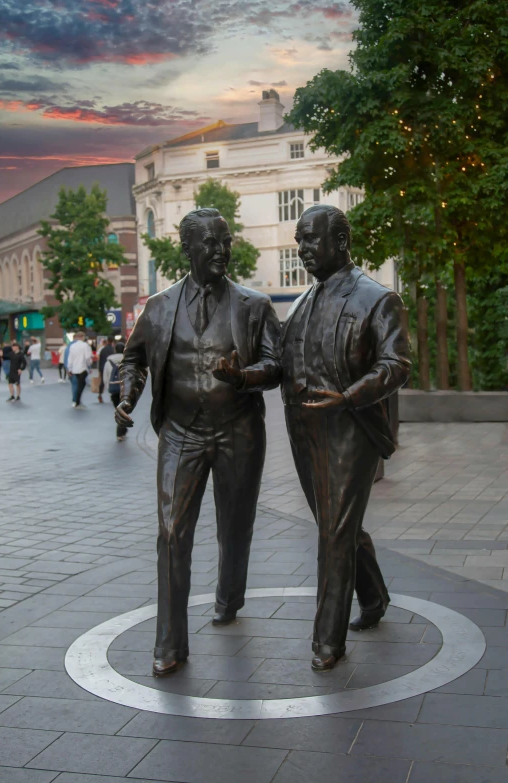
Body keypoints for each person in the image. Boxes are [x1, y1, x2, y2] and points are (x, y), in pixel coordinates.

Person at [116, 207, 281, 676]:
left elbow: (277, 365)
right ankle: (169, 644)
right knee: (170, 533)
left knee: (235, 526)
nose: (221, 250)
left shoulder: (253, 305)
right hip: (181, 431)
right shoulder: (159, 306)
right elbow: (134, 359)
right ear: (186, 249)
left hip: (239, 430)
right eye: (210, 243)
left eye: (225, 241)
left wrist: (244, 375)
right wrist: (127, 396)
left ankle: (229, 597)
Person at [281, 204, 410, 672]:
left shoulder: (377, 299)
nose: (302, 251)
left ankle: (326, 639)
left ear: (340, 241)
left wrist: (351, 395)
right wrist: (242, 376)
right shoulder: (300, 303)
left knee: (333, 531)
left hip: (352, 427)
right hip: (304, 429)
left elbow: (397, 364)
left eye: (310, 240)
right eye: (299, 242)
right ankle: (374, 598)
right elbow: (279, 363)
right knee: (339, 525)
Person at [104, 341, 126, 439]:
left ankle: (123, 429)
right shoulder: (128, 360)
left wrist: (107, 387)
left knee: (118, 410)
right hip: (125, 388)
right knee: (124, 410)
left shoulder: (109, 361)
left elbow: (106, 376)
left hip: (113, 389)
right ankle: (120, 432)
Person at [67, 331, 92, 408]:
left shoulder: (72, 346)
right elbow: (88, 357)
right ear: (83, 337)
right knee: (82, 384)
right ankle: (77, 401)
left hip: (75, 369)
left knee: (79, 384)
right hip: (83, 368)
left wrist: (70, 368)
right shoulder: (85, 345)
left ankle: (76, 401)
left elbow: (70, 358)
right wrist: (89, 364)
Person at [97, 335, 115, 403]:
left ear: (107, 341)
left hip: (103, 367)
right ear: (112, 341)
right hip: (112, 367)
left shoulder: (103, 349)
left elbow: (100, 360)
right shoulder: (113, 349)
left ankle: (100, 394)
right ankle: (112, 395)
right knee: (112, 381)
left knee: (102, 382)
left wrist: (99, 370)